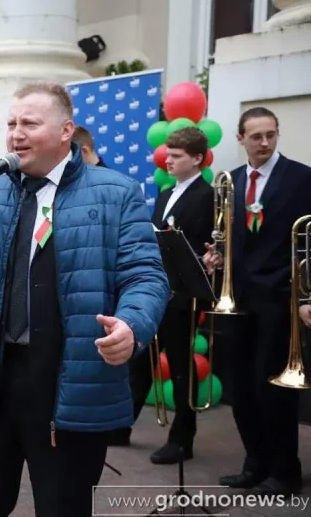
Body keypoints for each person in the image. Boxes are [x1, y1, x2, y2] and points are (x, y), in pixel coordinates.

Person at [0, 82, 170, 516]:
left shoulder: (116, 192)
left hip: (70, 385)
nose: (16, 134)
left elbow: (146, 275)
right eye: (12, 124)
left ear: (65, 131)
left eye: (30, 123)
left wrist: (132, 323)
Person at [203, 107, 311, 496]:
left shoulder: (302, 177)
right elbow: (226, 238)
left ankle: (285, 471)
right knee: (239, 387)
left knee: (273, 390)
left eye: (270, 135)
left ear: (277, 134)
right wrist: (216, 256)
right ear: (240, 138)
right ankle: (255, 463)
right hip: (237, 300)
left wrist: (306, 298)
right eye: (256, 136)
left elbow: (308, 243)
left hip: (281, 299)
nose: (264, 143)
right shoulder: (229, 182)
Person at [115, 127, 214, 463]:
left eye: (176, 156)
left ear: (197, 158)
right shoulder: (165, 191)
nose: (168, 161)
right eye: (167, 155)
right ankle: (122, 424)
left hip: (185, 294)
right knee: (139, 358)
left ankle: (182, 438)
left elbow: (202, 244)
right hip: (159, 290)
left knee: (181, 368)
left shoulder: (207, 195)